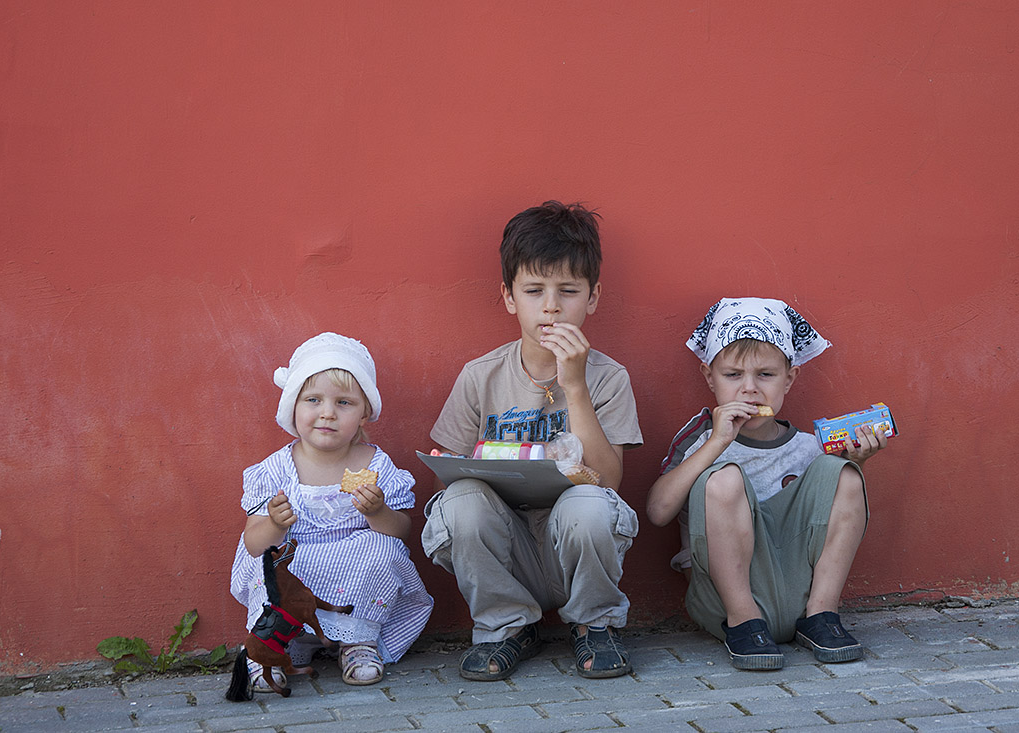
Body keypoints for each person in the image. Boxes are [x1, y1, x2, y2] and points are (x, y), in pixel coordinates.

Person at [421, 201, 643, 681]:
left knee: (588, 502)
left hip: (573, 546)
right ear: (508, 297)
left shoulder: (608, 378)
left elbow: (609, 480)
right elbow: (448, 468)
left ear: (593, 297)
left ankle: (594, 623)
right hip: (506, 548)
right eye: (534, 290)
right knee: (460, 500)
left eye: (568, 291)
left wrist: (576, 386)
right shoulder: (480, 376)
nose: (551, 306)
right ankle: (505, 626)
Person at [646, 297, 886, 670]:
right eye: (732, 375)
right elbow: (658, 512)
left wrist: (854, 461)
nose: (750, 389)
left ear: (790, 379)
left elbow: (830, 518)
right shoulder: (699, 440)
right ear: (709, 377)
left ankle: (822, 615)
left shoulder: (809, 447)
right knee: (723, 480)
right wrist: (716, 444)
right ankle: (744, 622)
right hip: (725, 606)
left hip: (799, 593)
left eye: (766, 375)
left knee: (844, 474)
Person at [230, 332, 433, 688]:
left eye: (344, 403)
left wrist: (377, 512)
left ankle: (357, 641)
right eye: (313, 400)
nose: (327, 413)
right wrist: (275, 525)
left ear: (365, 412)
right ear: (293, 406)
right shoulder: (274, 470)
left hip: (352, 568)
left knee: (382, 548)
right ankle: (277, 646)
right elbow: (252, 543)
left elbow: (400, 530)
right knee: (269, 562)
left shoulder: (376, 466)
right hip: (296, 561)